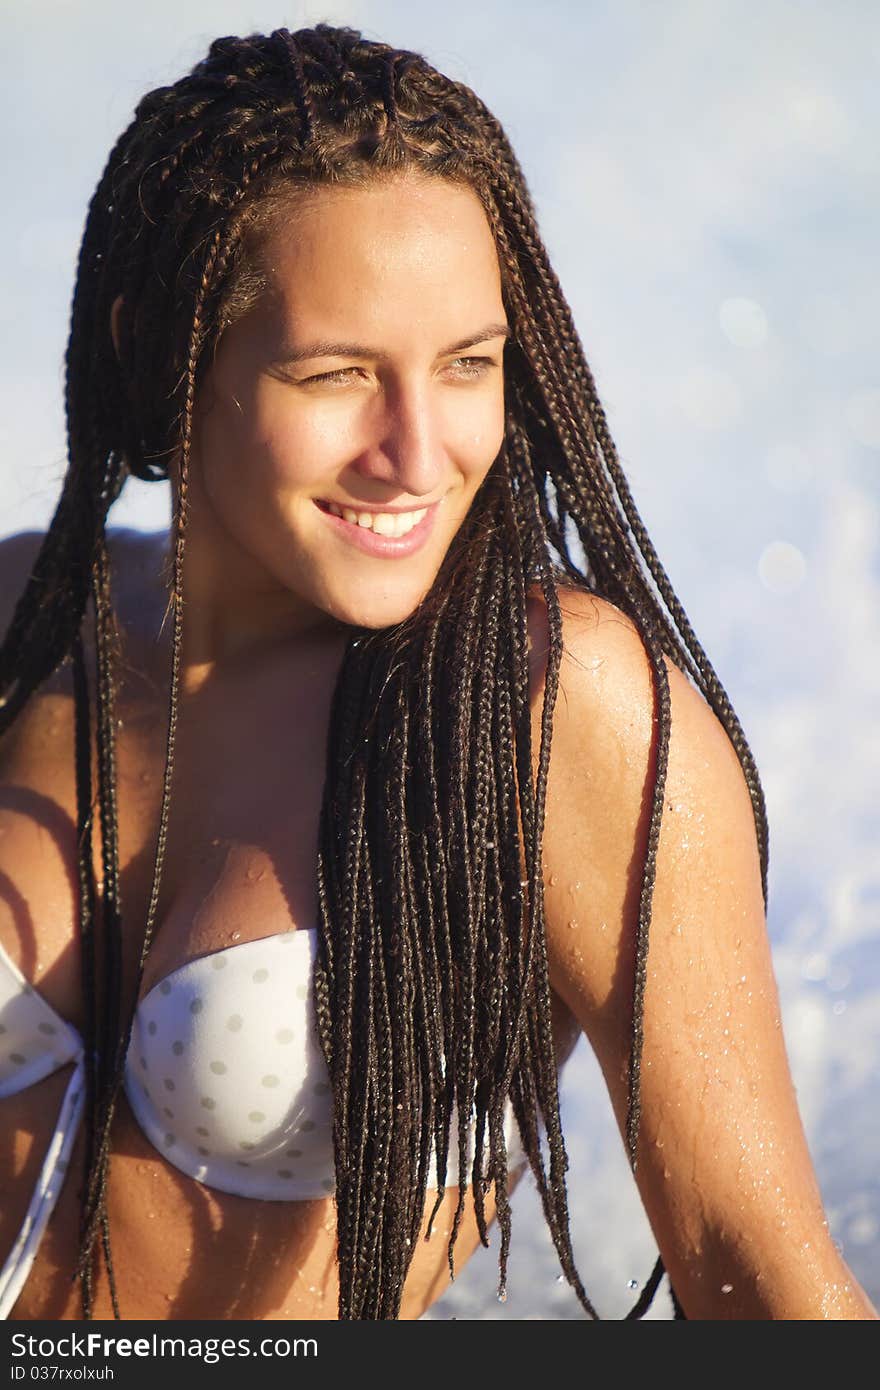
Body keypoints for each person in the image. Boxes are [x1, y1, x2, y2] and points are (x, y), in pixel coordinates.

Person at [0, 23, 875, 1323]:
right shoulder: (31, 610)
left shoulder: (545, 712)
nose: (419, 452)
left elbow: (772, 1291)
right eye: (338, 373)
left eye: (470, 364)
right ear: (154, 353)